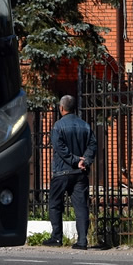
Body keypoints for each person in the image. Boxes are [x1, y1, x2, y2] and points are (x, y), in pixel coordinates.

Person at [44, 94, 98, 248]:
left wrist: (75, 160)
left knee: (55, 204)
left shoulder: (58, 126)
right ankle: (82, 241)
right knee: (81, 206)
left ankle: (56, 238)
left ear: (61, 108)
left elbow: (60, 149)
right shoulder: (85, 125)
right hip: (80, 174)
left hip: (62, 172)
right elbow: (93, 145)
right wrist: (84, 161)